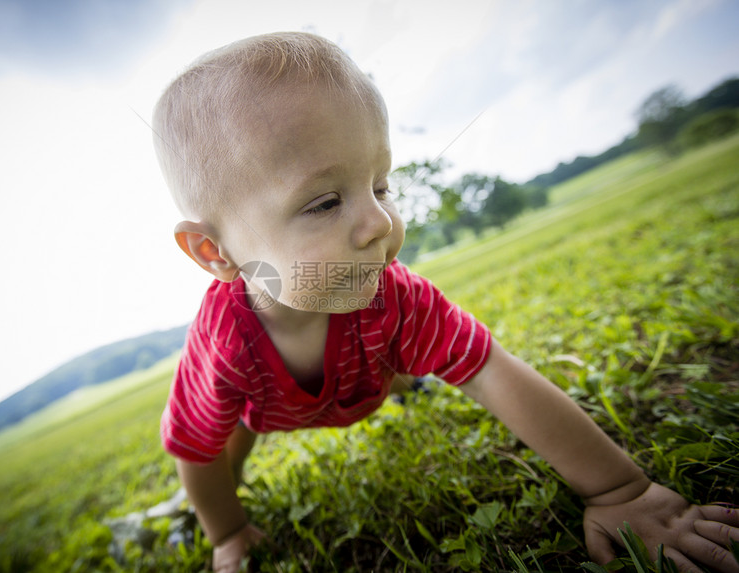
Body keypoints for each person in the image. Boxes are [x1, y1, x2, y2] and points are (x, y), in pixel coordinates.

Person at [151, 31, 739, 573]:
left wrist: (620, 491)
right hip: (264, 406)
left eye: (380, 186)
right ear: (213, 250)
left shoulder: (394, 295)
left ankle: (406, 381)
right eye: (326, 202)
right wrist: (227, 534)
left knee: (398, 351)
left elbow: (490, 370)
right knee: (227, 437)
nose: (379, 222)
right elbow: (193, 447)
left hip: (369, 380)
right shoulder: (224, 342)